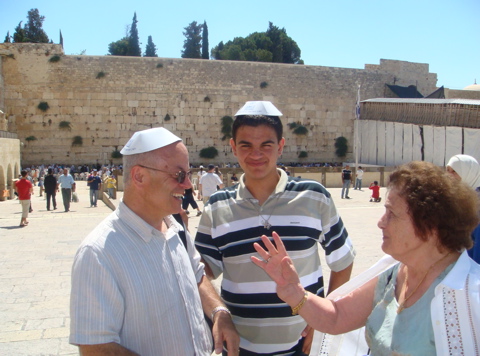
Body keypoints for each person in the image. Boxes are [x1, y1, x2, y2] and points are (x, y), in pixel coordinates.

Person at [252, 161, 480, 355]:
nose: (381, 222)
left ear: (429, 226)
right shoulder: (394, 276)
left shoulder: (471, 297)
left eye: (392, 214)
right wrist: (294, 291)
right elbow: (337, 317)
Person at [195, 101, 355, 355]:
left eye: (266, 145)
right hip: (239, 347)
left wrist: (326, 316)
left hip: (303, 347)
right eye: (246, 145)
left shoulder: (314, 197)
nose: (256, 154)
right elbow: (200, 272)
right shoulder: (216, 207)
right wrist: (219, 311)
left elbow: (343, 260)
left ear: (280, 147)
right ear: (233, 148)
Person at [70, 127, 239, 356]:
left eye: (188, 174)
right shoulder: (99, 254)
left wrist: (219, 312)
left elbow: (197, 275)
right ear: (139, 176)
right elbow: (95, 348)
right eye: (179, 175)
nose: (188, 184)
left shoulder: (176, 229)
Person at [446, 154, 480, 264]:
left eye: (454, 171)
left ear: (468, 173)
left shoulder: (476, 204)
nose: (449, 175)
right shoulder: (454, 199)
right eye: (448, 170)